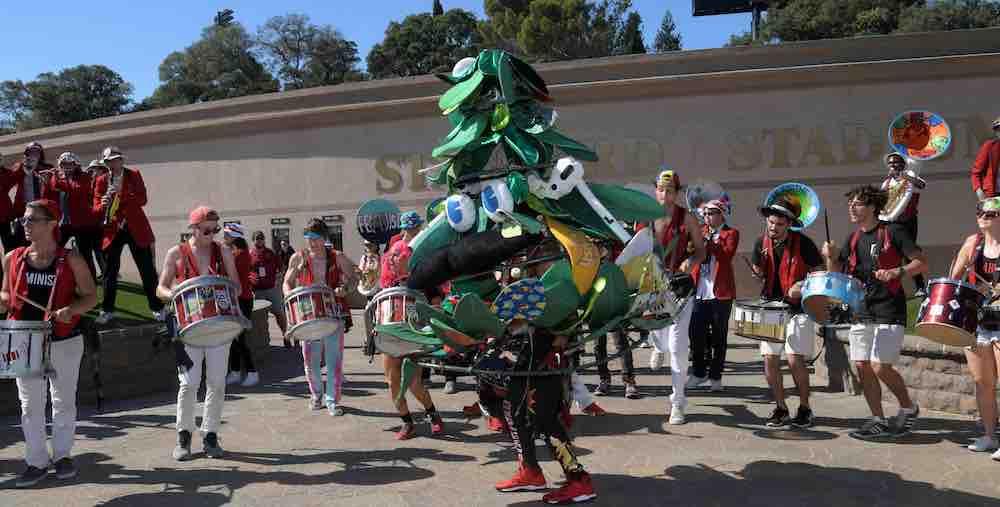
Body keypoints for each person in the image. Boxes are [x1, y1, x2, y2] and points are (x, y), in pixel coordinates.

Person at [2, 199, 98, 488]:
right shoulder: (13, 257)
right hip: (24, 338)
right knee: (30, 405)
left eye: (32, 219)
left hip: (64, 339)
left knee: (63, 400)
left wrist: (72, 309)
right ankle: (36, 461)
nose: (25, 225)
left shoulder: (71, 259)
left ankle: (63, 455)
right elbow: (6, 294)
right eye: (24, 220)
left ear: (51, 223)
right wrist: (4, 300)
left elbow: (91, 297)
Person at [822, 185, 926, 440]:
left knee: (880, 366)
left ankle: (908, 408)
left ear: (872, 207)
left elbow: (921, 263)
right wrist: (830, 257)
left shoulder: (893, 231)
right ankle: (877, 418)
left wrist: (896, 272)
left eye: (857, 203)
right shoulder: (853, 238)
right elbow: (837, 274)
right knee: (862, 365)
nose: (851, 207)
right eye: (850, 204)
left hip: (889, 307)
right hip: (862, 309)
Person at [156, 206, 241, 460]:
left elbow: (237, 286)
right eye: (206, 230)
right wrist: (175, 293)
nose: (212, 234)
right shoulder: (176, 253)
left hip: (218, 327)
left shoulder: (223, 251)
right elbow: (160, 288)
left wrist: (223, 288)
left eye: (215, 229)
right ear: (193, 228)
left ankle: (210, 434)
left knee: (217, 382)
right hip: (188, 329)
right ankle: (183, 435)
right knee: (189, 383)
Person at [750, 198, 823, 428]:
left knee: (794, 359)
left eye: (779, 224)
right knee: (769, 359)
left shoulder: (805, 244)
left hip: (798, 308)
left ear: (789, 224)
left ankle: (805, 408)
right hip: (770, 306)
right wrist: (758, 274)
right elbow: (758, 271)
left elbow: (819, 273)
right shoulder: (760, 243)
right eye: (771, 222)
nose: (773, 227)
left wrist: (802, 284)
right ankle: (781, 408)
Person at [644, 168, 705, 425]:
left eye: (669, 190)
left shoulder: (687, 218)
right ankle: (657, 346)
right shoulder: (644, 216)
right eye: (660, 189)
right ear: (655, 190)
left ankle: (678, 401)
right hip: (652, 288)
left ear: (677, 193)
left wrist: (690, 261)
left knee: (679, 347)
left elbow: (701, 251)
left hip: (680, 288)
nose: (664, 195)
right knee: (659, 335)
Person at [378, 211, 445, 438]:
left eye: (400, 256)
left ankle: (433, 414)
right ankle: (407, 422)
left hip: (414, 330)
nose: (395, 260)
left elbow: (436, 298)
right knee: (392, 382)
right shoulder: (388, 274)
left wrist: (433, 311)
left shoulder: (423, 267)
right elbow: (380, 300)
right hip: (390, 328)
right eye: (393, 257)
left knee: (414, 381)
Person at [283, 218, 356, 416]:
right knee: (310, 361)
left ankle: (332, 400)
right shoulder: (298, 258)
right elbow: (287, 282)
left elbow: (354, 278)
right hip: (308, 315)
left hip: (333, 313)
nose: (311, 242)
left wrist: (345, 288)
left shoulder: (337, 257)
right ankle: (316, 395)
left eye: (315, 238)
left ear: (324, 238)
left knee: (334, 361)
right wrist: (289, 295)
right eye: (308, 238)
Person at [948, 197, 1000, 459]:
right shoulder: (973, 243)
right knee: (983, 382)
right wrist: (963, 267)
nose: (983, 217)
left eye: (989, 213)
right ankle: (990, 436)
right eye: (980, 212)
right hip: (978, 320)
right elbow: (953, 280)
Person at [93, 146, 164, 324]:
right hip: (112, 230)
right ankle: (107, 310)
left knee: (147, 270)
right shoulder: (101, 180)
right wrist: (103, 204)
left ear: (121, 160)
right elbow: (95, 208)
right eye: (108, 161)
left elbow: (143, 199)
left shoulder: (134, 174)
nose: (112, 164)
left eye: (115, 160)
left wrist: (120, 196)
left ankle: (157, 308)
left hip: (135, 228)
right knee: (109, 273)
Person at [688, 198, 739, 392]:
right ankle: (698, 373)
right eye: (705, 214)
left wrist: (709, 242)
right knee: (695, 334)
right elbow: (690, 252)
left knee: (719, 337)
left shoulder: (731, 233)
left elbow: (726, 255)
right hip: (699, 290)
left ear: (721, 215)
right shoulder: (700, 231)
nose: (707, 217)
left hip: (721, 293)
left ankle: (716, 377)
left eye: (711, 214)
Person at [41, 153, 101, 279]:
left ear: (76, 165)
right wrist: (46, 183)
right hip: (64, 223)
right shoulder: (57, 178)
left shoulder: (84, 176)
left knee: (85, 254)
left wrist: (55, 178)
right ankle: (51, 276)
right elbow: (47, 198)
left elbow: (75, 189)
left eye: (70, 163)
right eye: (64, 164)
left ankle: (90, 281)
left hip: (82, 223)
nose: (67, 166)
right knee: (54, 249)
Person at [881, 152, 927, 296]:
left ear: (903, 163)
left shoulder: (911, 178)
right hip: (891, 223)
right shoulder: (887, 183)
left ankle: (920, 287)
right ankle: (891, 288)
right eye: (890, 163)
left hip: (908, 222)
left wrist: (905, 176)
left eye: (896, 162)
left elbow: (922, 185)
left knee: (910, 255)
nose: (893, 165)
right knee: (892, 254)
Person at [224, 223, 259, 387]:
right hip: (235, 299)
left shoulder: (240, 254)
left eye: (227, 235)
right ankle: (236, 372)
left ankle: (252, 372)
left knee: (240, 338)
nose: (224, 237)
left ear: (234, 237)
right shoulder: (235, 253)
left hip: (242, 300)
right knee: (233, 338)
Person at [5, 142, 55, 250]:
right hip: (23, 210)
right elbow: (10, 181)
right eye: (31, 152)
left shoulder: (48, 168)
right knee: (20, 242)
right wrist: (23, 168)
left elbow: (54, 188)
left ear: (41, 154)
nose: (34, 154)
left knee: (41, 240)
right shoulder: (19, 166)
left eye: (37, 152)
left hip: (41, 209)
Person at [249, 230, 289, 347]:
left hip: (272, 289)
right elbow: (245, 271)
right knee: (260, 318)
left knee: (279, 314)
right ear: (253, 240)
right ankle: (263, 342)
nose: (259, 241)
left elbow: (282, 268)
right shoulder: (249, 255)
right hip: (258, 291)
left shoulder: (271, 253)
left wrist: (279, 279)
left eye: (261, 238)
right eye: (257, 238)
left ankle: (286, 336)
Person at [971, 116, 1000, 200]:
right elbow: (976, 172)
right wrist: (978, 191)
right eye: (998, 130)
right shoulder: (989, 146)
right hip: (994, 195)